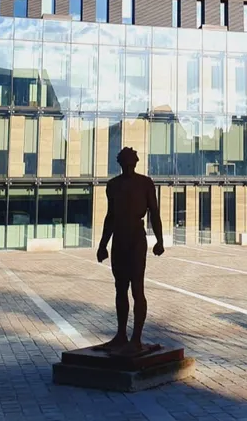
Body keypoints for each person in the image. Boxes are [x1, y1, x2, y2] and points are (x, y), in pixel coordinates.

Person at [95, 147, 164, 355]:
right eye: (124, 159)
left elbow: (154, 213)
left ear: (135, 161)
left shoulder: (145, 183)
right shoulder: (113, 185)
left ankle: (136, 338)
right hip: (119, 238)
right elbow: (110, 216)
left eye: (130, 159)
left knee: (137, 288)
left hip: (136, 238)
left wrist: (159, 241)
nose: (127, 163)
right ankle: (121, 334)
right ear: (120, 162)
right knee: (120, 288)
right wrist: (102, 244)